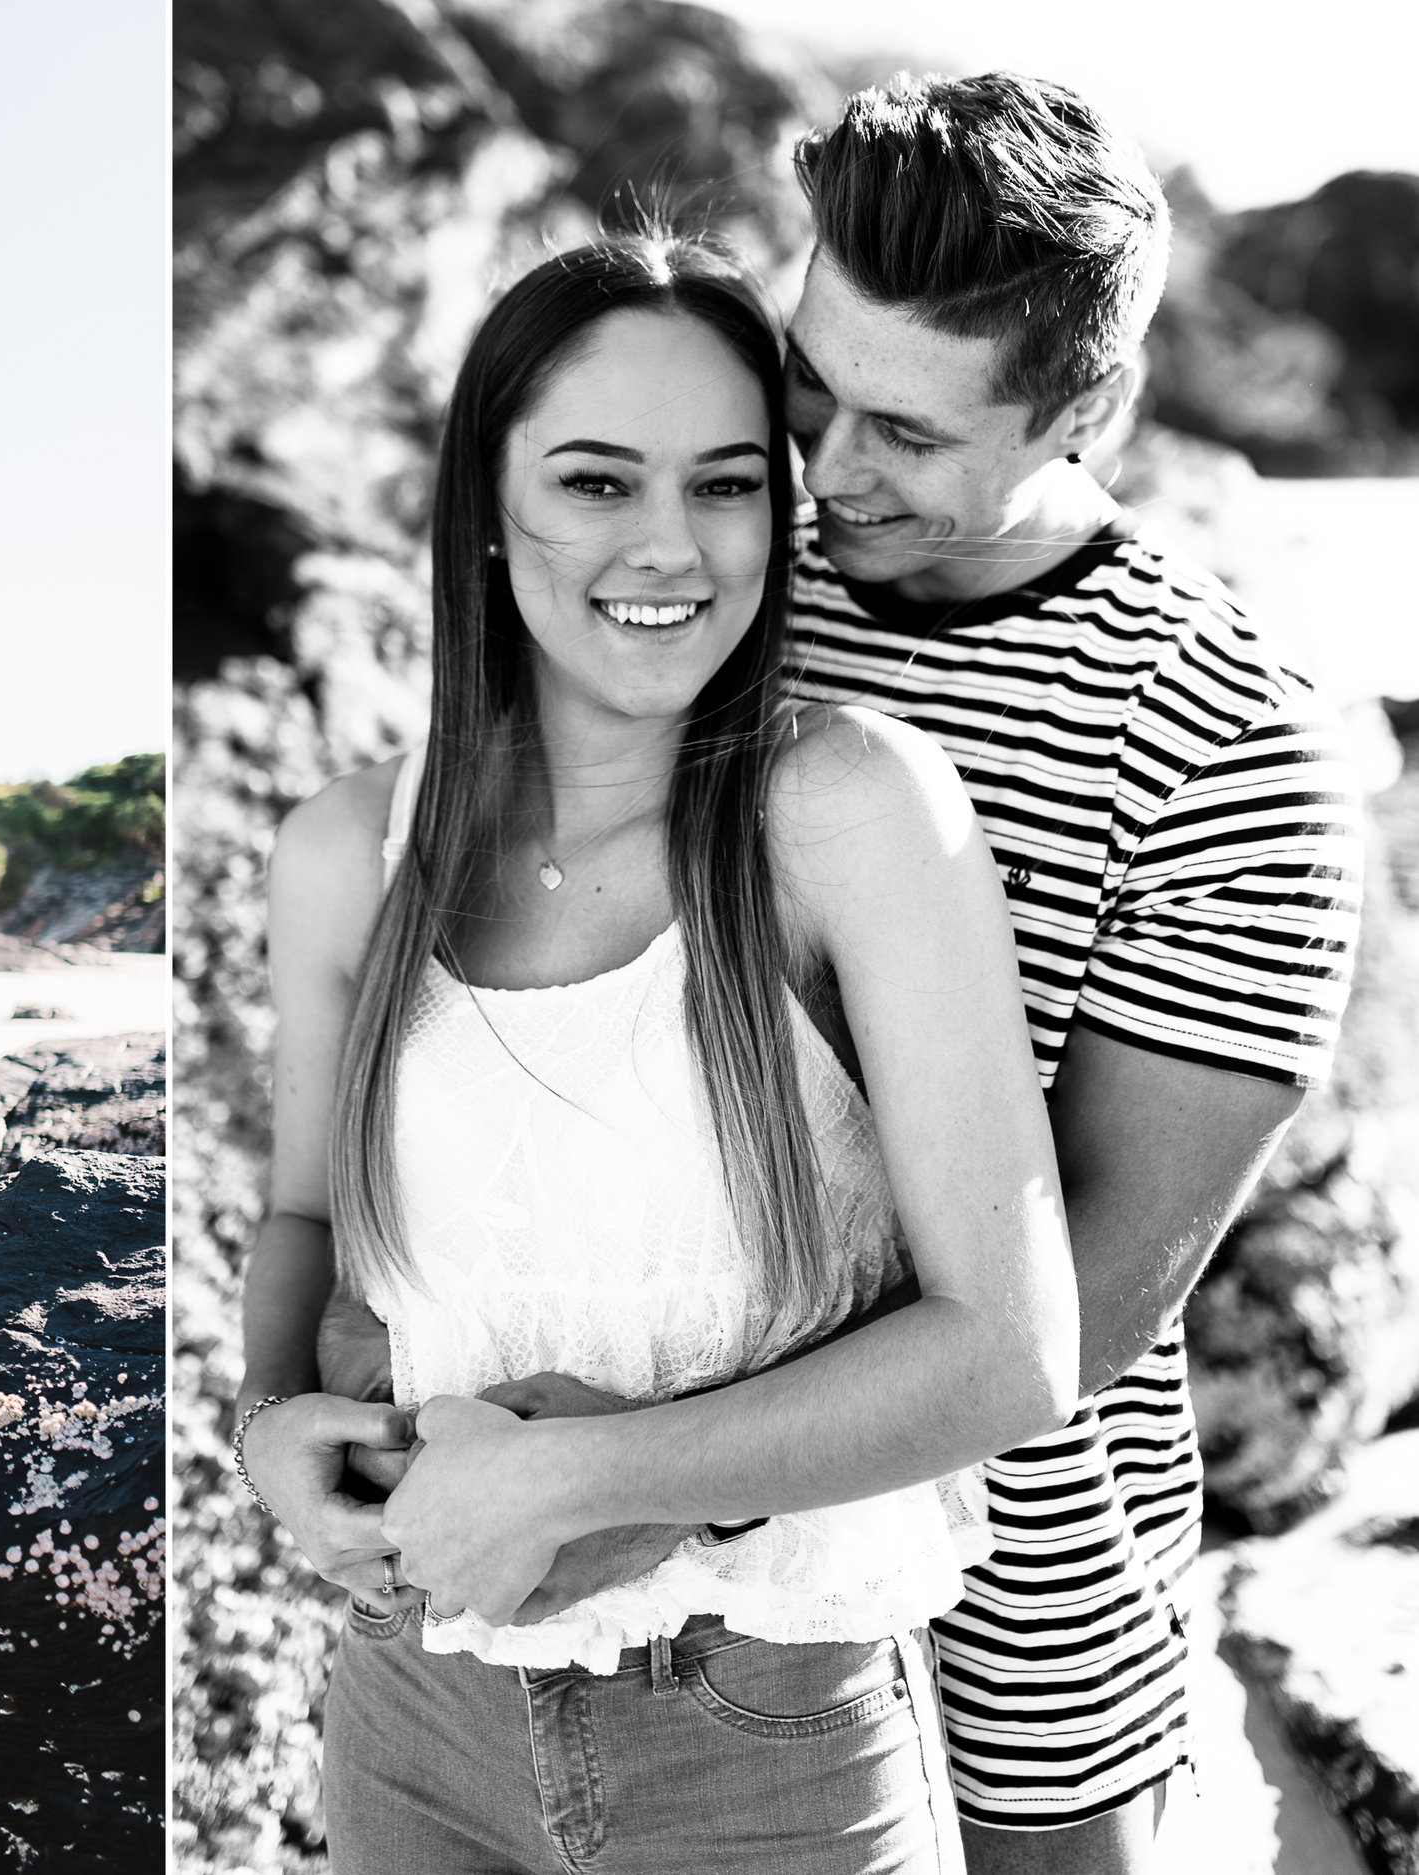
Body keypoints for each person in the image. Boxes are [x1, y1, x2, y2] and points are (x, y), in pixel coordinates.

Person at [294, 75, 1364, 1875]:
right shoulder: (714, 570)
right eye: (812, 385)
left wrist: (649, 1491)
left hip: (1015, 1643)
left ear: (1088, 406)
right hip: (577, 1607)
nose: (830, 473)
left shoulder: (1235, 743)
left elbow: (1084, 1301)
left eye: (914, 435)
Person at [238, 231, 1082, 1873]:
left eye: (726, 484)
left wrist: (584, 1485)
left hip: (769, 1744)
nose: (672, 548)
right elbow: (303, 1228)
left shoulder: (849, 810)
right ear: (486, 511)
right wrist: (274, 1427)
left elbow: (1011, 1348)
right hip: (412, 1723)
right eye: (596, 482)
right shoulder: (350, 851)